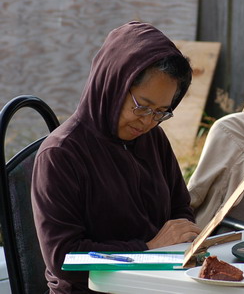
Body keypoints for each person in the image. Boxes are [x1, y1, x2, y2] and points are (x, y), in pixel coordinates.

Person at [32, 21, 201, 293]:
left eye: (161, 112)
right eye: (142, 107)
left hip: (157, 284)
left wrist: (181, 235)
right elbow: (63, 258)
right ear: (113, 85)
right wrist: (146, 250)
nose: (148, 121)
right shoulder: (61, 154)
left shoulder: (153, 139)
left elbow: (180, 209)